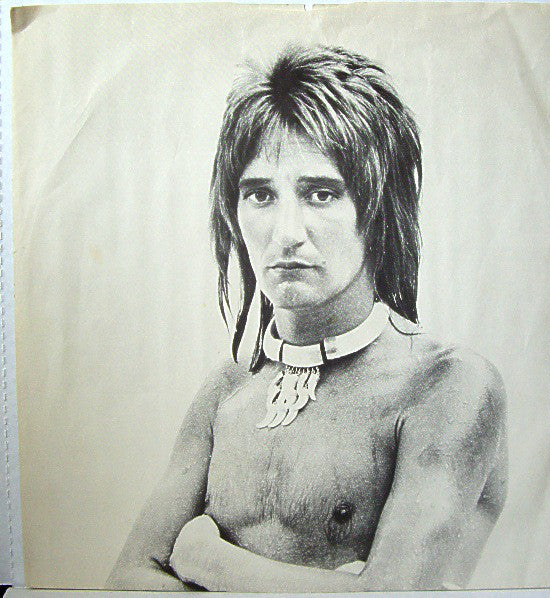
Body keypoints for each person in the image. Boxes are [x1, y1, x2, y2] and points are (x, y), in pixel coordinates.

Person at [107, 44, 507, 592]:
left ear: (379, 209)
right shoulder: (227, 390)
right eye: (260, 195)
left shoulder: (449, 384)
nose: (287, 233)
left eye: (321, 193)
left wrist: (205, 559)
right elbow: (126, 582)